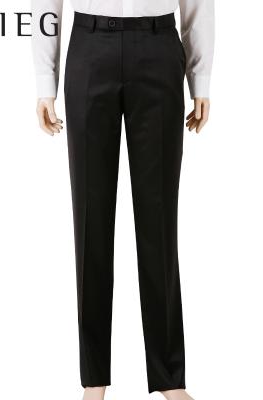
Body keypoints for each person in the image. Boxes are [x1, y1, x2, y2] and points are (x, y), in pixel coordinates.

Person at [31, 1, 214, 399]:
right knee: (91, 221)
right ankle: (94, 379)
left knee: (159, 221)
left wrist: (200, 80)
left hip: (158, 46)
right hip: (89, 44)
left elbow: (198, 3)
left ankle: (170, 378)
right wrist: (46, 82)